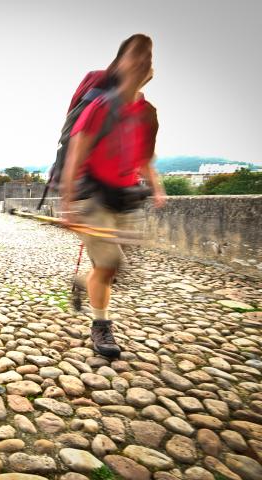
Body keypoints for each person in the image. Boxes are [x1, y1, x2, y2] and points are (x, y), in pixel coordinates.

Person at [60, 34, 166, 358]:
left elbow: (145, 157)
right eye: (136, 53)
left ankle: (84, 282)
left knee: (108, 269)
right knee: (110, 263)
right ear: (119, 64)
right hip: (94, 196)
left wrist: (157, 187)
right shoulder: (99, 108)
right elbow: (77, 154)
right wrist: (68, 203)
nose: (143, 59)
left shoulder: (148, 113)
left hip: (125, 197)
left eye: (148, 54)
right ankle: (101, 325)